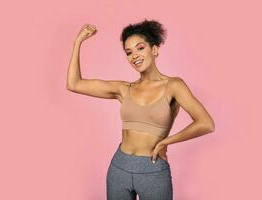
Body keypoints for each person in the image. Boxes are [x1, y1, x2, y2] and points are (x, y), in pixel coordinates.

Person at [67, 19, 215, 200]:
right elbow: (74, 84)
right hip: (119, 167)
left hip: (152, 170)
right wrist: (77, 42)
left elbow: (206, 123)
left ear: (154, 49)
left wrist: (165, 142)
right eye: (128, 52)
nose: (134, 55)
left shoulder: (173, 85)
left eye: (140, 48)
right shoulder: (124, 89)